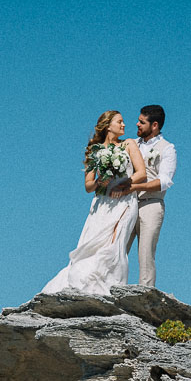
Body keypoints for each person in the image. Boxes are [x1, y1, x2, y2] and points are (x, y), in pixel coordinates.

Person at [43, 110, 147, 295]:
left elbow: (141, 173)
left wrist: (121, 183)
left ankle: (111, 287)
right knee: (93, 245)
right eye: (120, 122)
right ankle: (86, 283)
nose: (124, 125)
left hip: (125, 200)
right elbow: (89, 186)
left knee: (115, 243)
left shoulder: (129, 144)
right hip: (102, 202)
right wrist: (104, 179)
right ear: (108, 125)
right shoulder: (94, 151)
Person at [110, 105, 175, 287]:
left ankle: (145, 295)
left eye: (142, 122)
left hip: (151, 204)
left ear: (154, 125)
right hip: (127, 203)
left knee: (146, 254)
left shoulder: (167, 148)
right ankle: (111, 289)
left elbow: (164, 181)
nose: (137, 124)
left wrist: (135, 186)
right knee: (118, 248)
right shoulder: (132, 144)